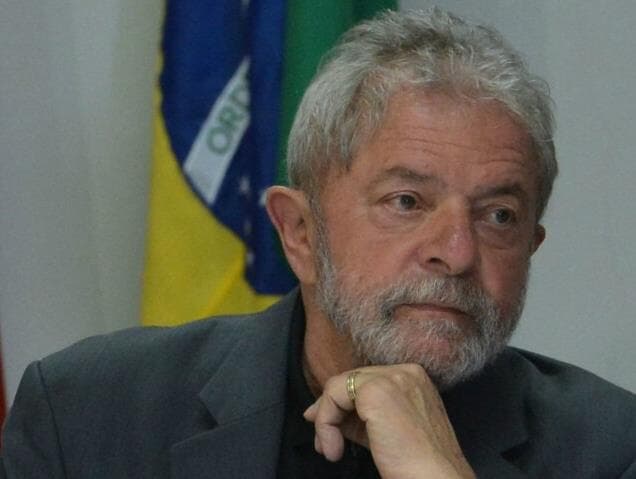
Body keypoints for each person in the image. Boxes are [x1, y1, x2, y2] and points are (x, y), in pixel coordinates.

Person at [2, 8, 635, 479]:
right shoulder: (87, 414)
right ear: (300, 233)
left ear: (531, 247)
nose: (457, 252)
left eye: (499, 216)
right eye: (407, 202)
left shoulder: (612, 449)